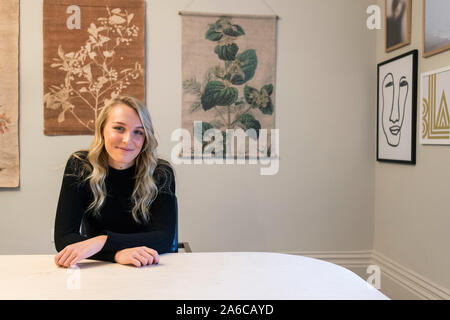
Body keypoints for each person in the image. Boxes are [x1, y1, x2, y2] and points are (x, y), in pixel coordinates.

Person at [54, 96, 177, 268]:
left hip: (149, 267)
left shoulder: (160, 172)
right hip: (100, 271)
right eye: (119, 128)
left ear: (145, 138)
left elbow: (164, 238)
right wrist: (117, 254)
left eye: (138, 132)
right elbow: (64, 239)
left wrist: (102, 241)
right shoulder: (80, 166)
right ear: (102, 129)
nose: (128, 140)